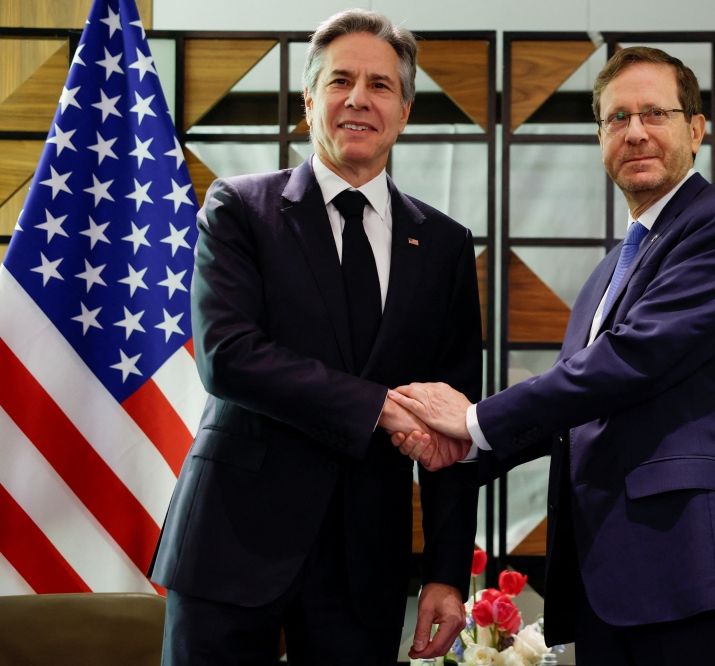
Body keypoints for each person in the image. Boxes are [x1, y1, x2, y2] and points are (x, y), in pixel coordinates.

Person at [390, 47, 715, 666]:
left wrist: (474, 421)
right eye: (617, 118)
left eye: (654, 114)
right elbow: (578, 403)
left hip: (697, 573)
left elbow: (634, 359)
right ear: (600, 138)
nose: (635, 131)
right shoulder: (609, 272)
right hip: (608, 582)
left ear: (694, 129)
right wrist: (467, 446)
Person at [147, 10, 480, 665]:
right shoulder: (238, 208)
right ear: (308, 101)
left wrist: (446, 570)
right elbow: (229, 357)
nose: (359, 98)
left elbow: (453, 415)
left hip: (366, 565)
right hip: (231, 545)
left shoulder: (444, 245)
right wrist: (379, 407)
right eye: (340, 81)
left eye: (381, 85)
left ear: (405, 110)